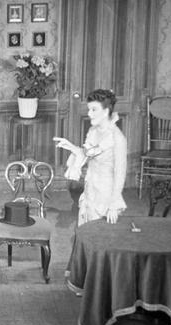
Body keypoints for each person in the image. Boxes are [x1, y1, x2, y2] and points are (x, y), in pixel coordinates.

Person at [54, 89, 127, 226]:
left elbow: (120, 173)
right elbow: (87, 154)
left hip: (106, 193)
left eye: (94, 110)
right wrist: (71, 147)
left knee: (100, 231)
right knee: (85, 227)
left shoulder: (117, 138)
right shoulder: (93, 131)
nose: (89, 114)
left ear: (105, 111)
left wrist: (113, 205)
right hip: (90, 187)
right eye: (89, 109)